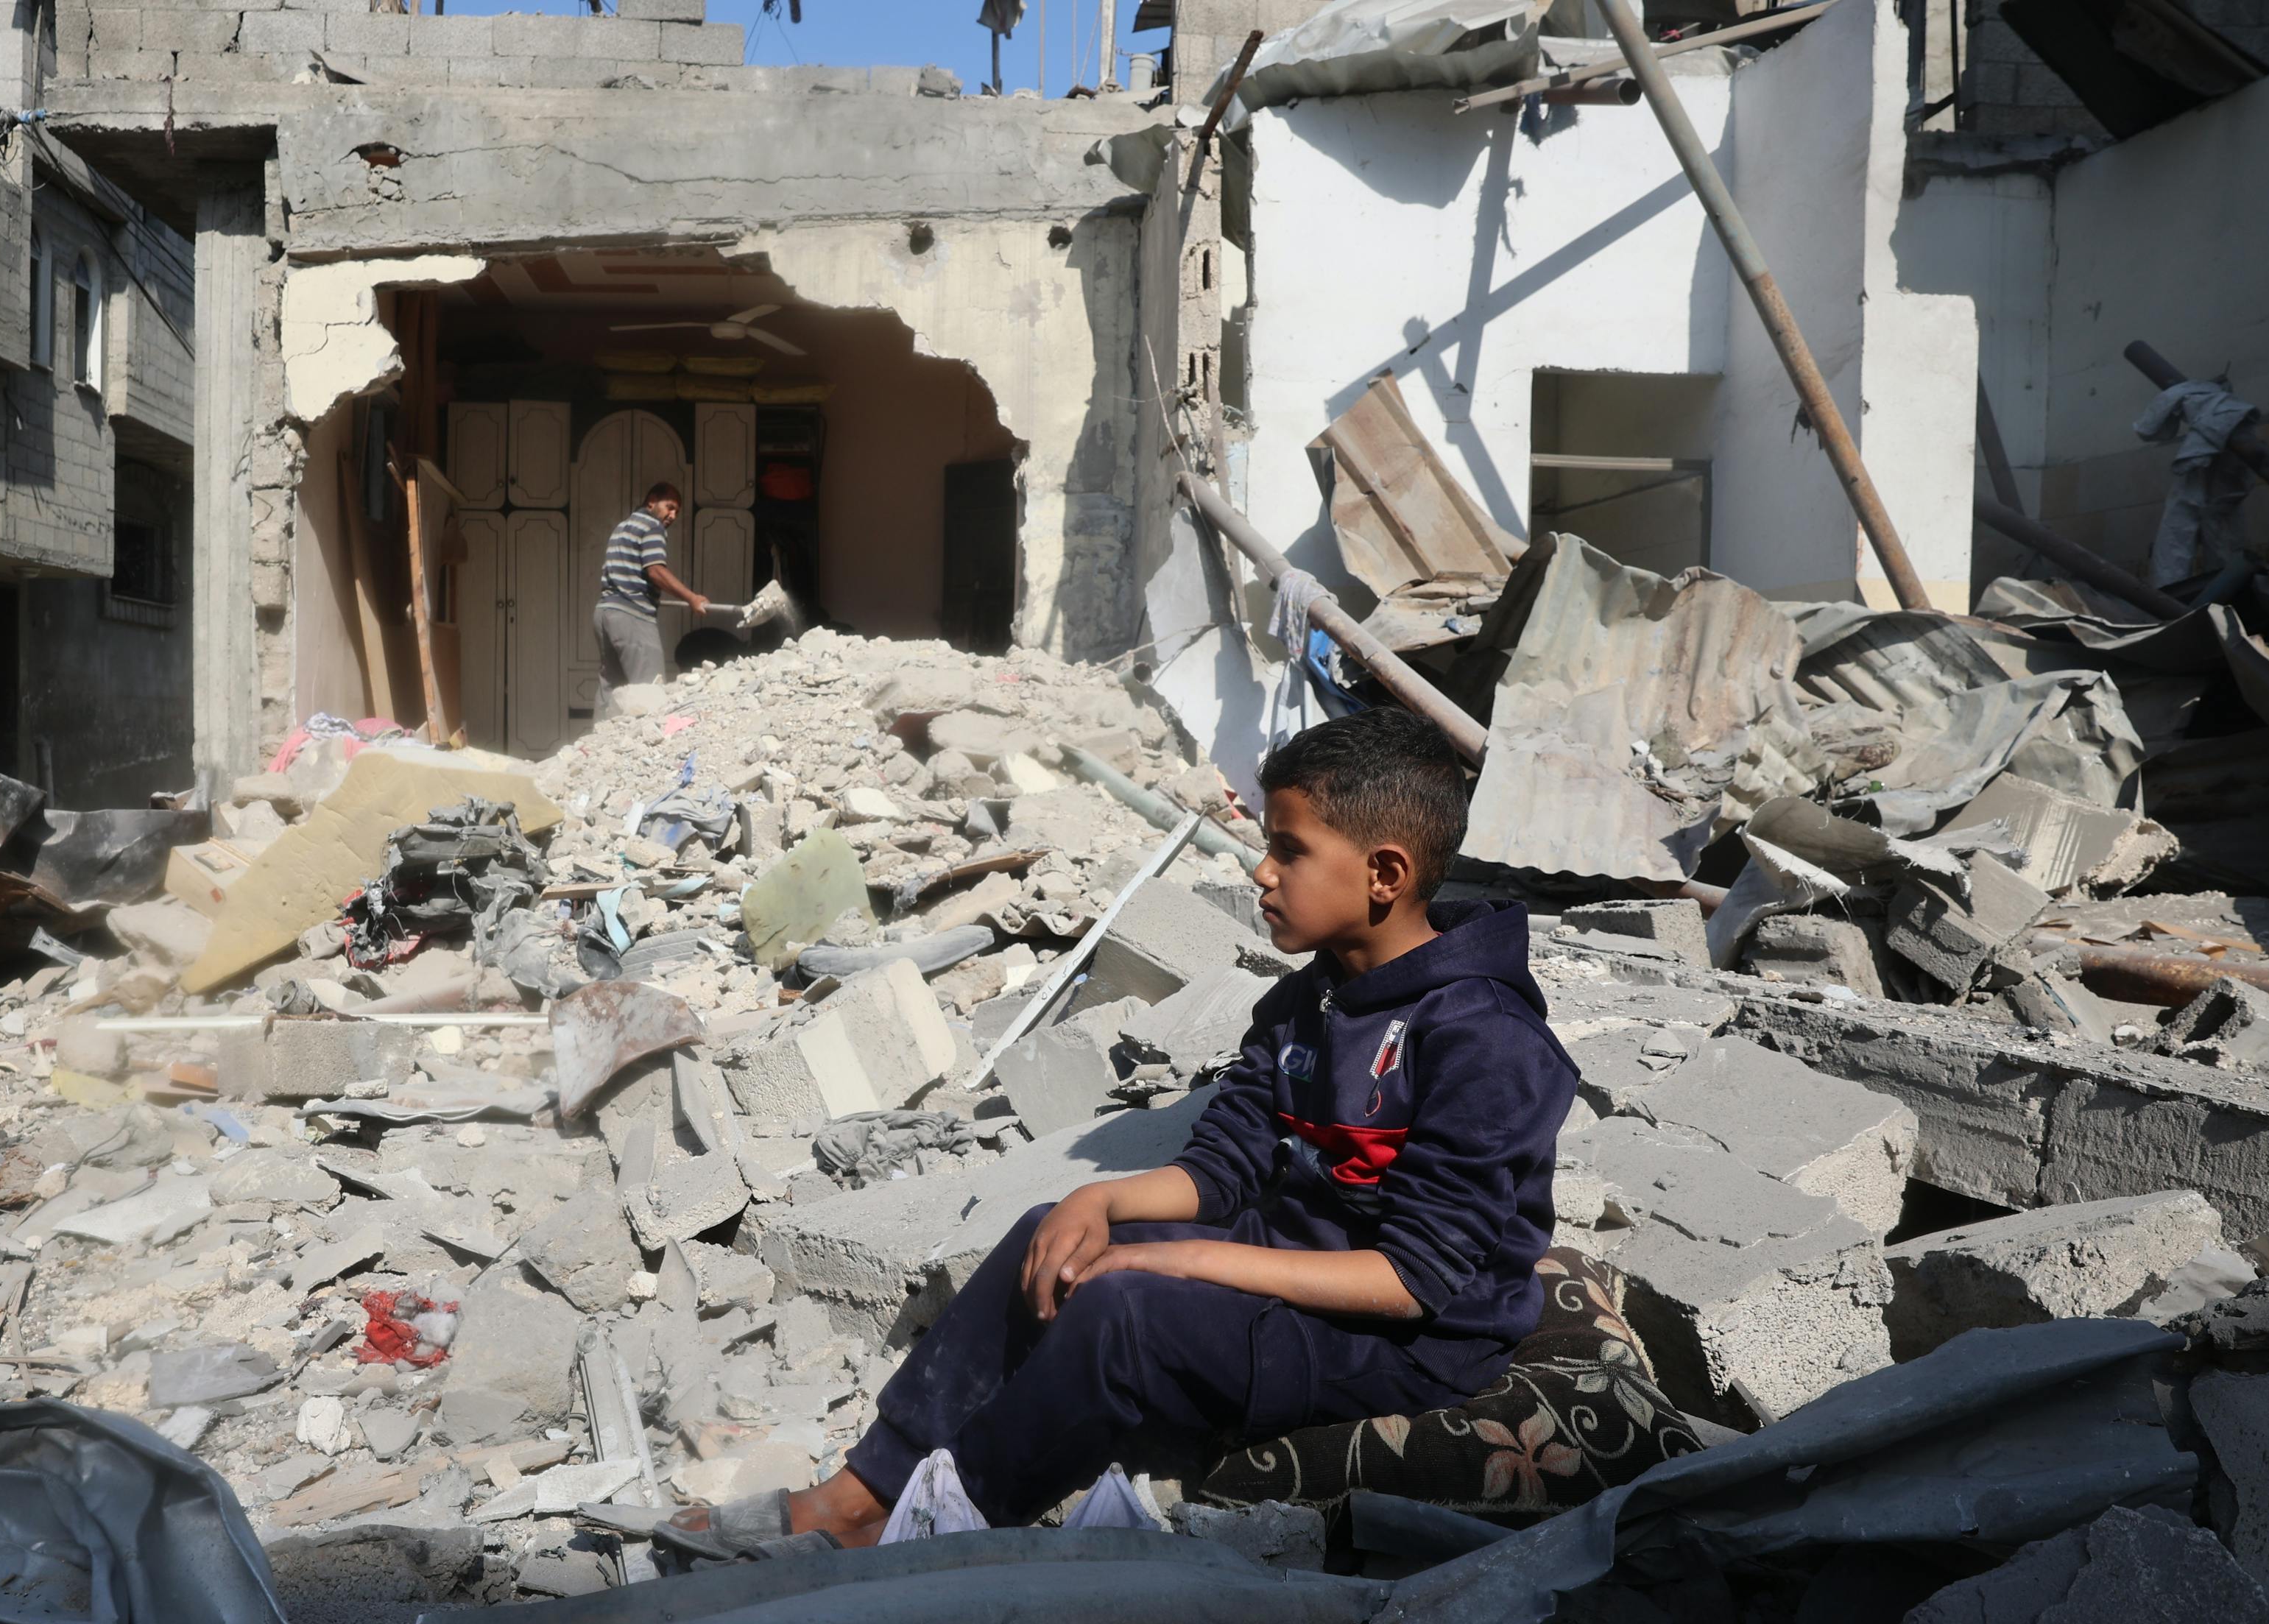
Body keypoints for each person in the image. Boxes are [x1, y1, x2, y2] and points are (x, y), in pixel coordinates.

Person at [666, 708, 1578, 1550]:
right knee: (1050, 1240)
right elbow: (1224, 1167)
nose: (1260, 871)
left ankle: (947, 1528)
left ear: (1384, 873)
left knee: (1125, 1309)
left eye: (1288, 851)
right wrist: (1099, 1198)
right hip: (1298, 1261)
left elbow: (1412, 1281)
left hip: (1405, 1341)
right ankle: (861, 1495)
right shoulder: (1315, 996)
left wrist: (1177, 1260)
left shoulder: (1485, 1041)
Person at [593, 484, 707, 695]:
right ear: (651, 501)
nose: (672, 516)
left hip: (605, 615)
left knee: (611, 691)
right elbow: (655, 570)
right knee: (650, 691)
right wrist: (692, 598)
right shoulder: (653, 526)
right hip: (632, 616)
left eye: (677, 512)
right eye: (670, 507)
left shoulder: (623, 526)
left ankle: (603, 729)